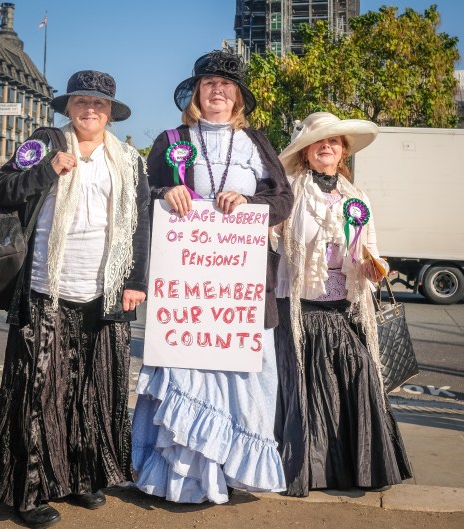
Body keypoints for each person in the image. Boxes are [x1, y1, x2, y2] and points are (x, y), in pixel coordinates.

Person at [0, 70, 151, 528]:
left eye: (98, 104)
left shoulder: (130, 161)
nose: (89, 110)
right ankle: (28, 491)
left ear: (111, 113)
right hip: (46, 286)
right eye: (81, 102)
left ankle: (82, 477)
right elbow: (2, 189)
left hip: (104, 292)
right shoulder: (45, 141)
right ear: (68, 107)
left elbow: (140, 226)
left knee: (94, 390)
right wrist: (45, 170)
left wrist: (136, 280)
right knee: (38, 392)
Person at [132, 50, 294, 504]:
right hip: (186, 290)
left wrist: (250, 205)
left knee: (245, 374)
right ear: (197, 93)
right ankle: (178, 479)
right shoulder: (169, 139)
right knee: (185, 372)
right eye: (208, 84)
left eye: (225, 85)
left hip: (240, 288)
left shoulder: (256, 144)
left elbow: (282, 198)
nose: (217, 91)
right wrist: (169, 191)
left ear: (237, 96)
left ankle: (233, 470)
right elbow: (146, 194)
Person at [273, 111, 412, 497]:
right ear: (306, 151)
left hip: (346, 306)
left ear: (343, 152)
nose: (327, 147)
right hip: (301, 307)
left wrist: (375, 266)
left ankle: (357, 467)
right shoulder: (289, 189)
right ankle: (311, 472)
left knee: (359, 375)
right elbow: (265, 233)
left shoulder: (356, 196)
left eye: (334, 142)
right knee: (306, 389)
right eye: (320, 141)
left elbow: (370, 247)